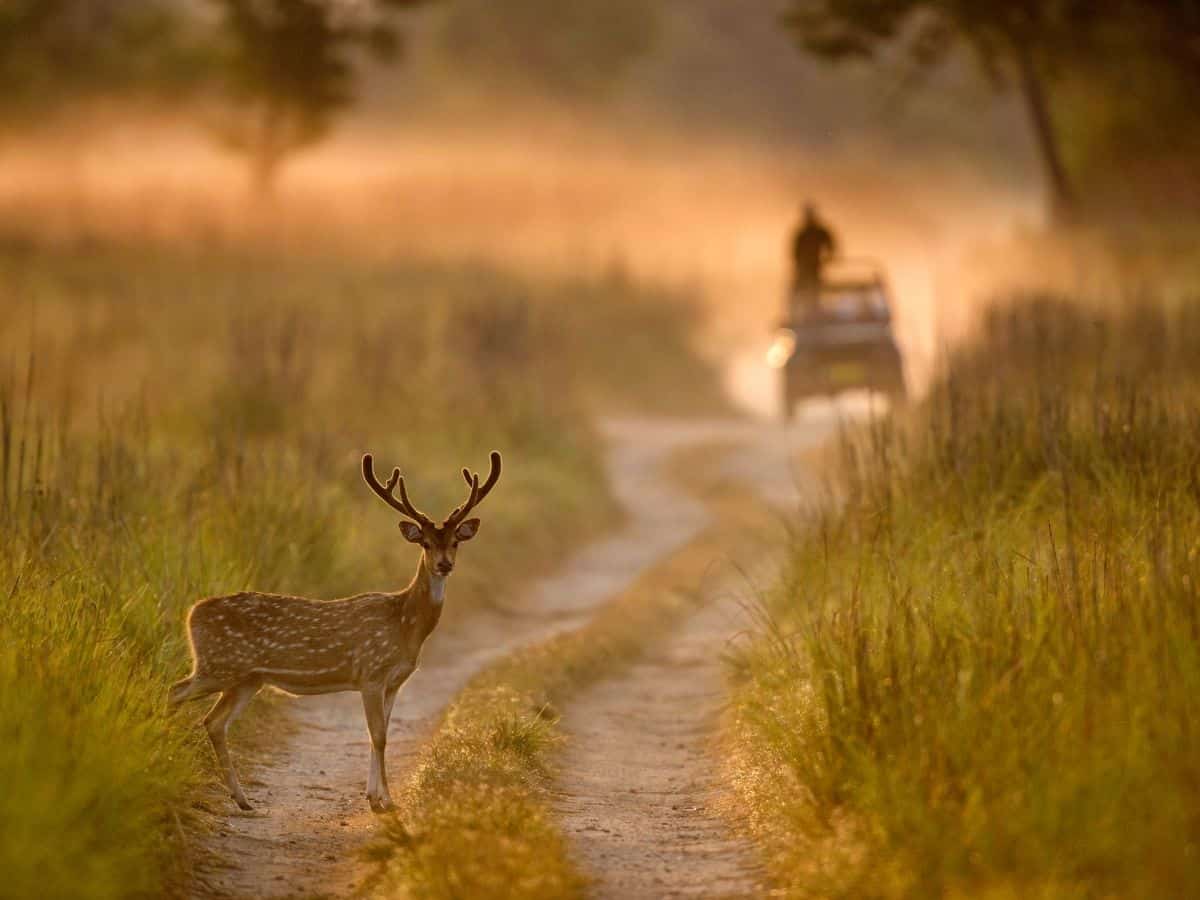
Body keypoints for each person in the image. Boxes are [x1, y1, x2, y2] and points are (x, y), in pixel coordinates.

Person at [789, 203, 837, 316]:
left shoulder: (817, 232)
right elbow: (794, 253)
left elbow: (831, 246)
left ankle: (815, 311)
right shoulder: (802, 234)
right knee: (801, 291)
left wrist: (828, 258)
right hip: (806, 269)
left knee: (815, 289)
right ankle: (805, 312)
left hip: (815, 267)